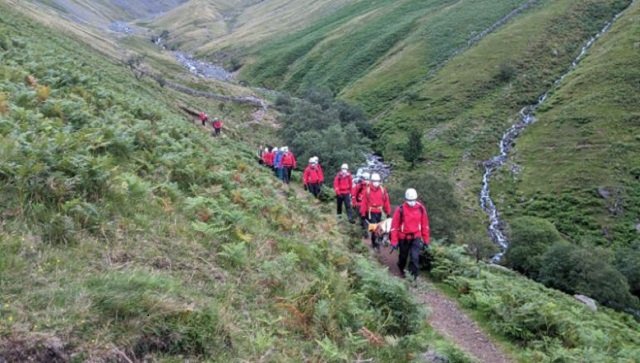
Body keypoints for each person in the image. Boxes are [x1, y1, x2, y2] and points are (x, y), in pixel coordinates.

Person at [390, 188, 430, 280]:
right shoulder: (400, 210)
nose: (411, 202)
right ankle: (401, 267)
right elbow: (394, 227)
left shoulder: (421, 209)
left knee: (414, 257)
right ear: (406, 199)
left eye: (413, 200)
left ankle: (413, 277)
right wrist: (394, 241)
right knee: (403, 257)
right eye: (409, 200)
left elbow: (425, 225)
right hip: (403, 238)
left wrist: (426, 240)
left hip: (416, 237)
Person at [359, 173, 390, 251]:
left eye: (377, 181)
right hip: (370, 212)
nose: (376, 182)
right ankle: (374, 243)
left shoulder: (383, 190)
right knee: (373, 228)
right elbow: (364, 203)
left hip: (379, 212)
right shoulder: (367, 190)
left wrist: (388, 212)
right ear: (371, 181)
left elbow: (386, 201)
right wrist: (362, 213)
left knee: (379, 228)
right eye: (374, 181)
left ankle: (378, 241)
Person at [352, 171, 370, 236]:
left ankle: (369, 233)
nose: (366, 180)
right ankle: (365, 232)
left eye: (367, 179)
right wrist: (355, 203)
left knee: (368, 219)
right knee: (363, 218)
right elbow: (354, 194)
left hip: (368, 205)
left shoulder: (370, 186)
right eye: (365, 179)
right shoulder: (359, 186)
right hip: (360, 204)